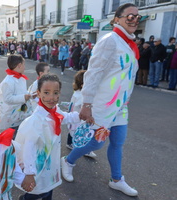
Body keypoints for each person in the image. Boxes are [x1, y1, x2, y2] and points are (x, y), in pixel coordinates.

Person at [61, 3, 140, 197]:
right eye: (130, 16)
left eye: (138, 17)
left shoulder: (129, 45)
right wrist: (86, 104)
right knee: (96, 143)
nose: (135, 20)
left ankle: (116, 179)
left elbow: (127, 77)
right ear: (117, 19)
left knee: (118, 142)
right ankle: (68, 161)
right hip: (102, 105)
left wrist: (126, 99)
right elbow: (93, 74)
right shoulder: (110, 41)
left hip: (120, 107)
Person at [15, 74, 80, 200]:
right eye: (46, 92)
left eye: (55, 93)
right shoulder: (34, 122)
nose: (51, 97)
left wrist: (80, 116)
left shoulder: (55, 111)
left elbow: (65, 117)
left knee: (48, 188)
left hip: (50, 162)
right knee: (37, 190)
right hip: (38, 165)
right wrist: (29, 173)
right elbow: (28, 149)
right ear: (38, 93)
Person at [0, 54, 32, 138]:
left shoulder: (21, 78)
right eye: (24, 65)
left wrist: (29, 95)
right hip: (12, 116)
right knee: (13, 138)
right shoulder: (8, 81)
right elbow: (8, 99)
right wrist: (23, 97)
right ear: (19, 65)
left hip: (20, 114)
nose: (24, 67)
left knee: (20, 135)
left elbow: (22, 91)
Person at [65, 70, 97, 157]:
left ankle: (69, 143)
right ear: (83, 85)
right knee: (83, 135)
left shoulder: (77, 92)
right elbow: (84, 107)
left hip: (72, 118)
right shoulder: (82, 96)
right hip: (79, 119)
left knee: (72, 132)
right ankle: (85, 150)